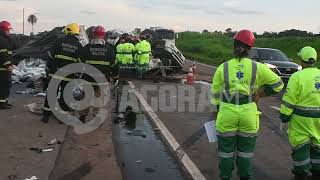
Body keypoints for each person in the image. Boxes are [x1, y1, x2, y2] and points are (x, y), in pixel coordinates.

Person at [211, 29, 284, 180]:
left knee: (226, 152)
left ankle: (225, 176)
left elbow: (216, 95)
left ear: (234, 46)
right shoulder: (257, 67)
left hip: (227, 114)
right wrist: (260, 94)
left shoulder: (223, 67)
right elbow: (279, 84)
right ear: (250, 49)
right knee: (245, 153)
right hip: (248, 114)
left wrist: (219, 110)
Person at [280, 46, 320, 180]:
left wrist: (284, 117)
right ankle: (317, 173)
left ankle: (301, 174)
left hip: (300, 121)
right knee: (317, 147)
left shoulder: (297, 77)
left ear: (301, 60)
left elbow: (289, 101)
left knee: (301, 147)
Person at [41, 23, 83, 123]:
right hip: (68, 76)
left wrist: (49, 71)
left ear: (68, 31)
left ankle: (46, 116)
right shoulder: (78, 45)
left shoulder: (59, 41)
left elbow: (51, 57)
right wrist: (77, 76)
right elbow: (79, 62)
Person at [0, 20, 13, 109]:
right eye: (8, 30)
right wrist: (8, 65)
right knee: (4, 85)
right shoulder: (2, 40)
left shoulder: (4, 39)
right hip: (3, 69)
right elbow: (3, 55)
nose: (9, 32)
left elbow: (7, 54)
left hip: (4, 68)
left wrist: (11, 63)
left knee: (6, 85)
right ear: (3, 30)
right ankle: (2, 103)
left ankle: (4, 101)